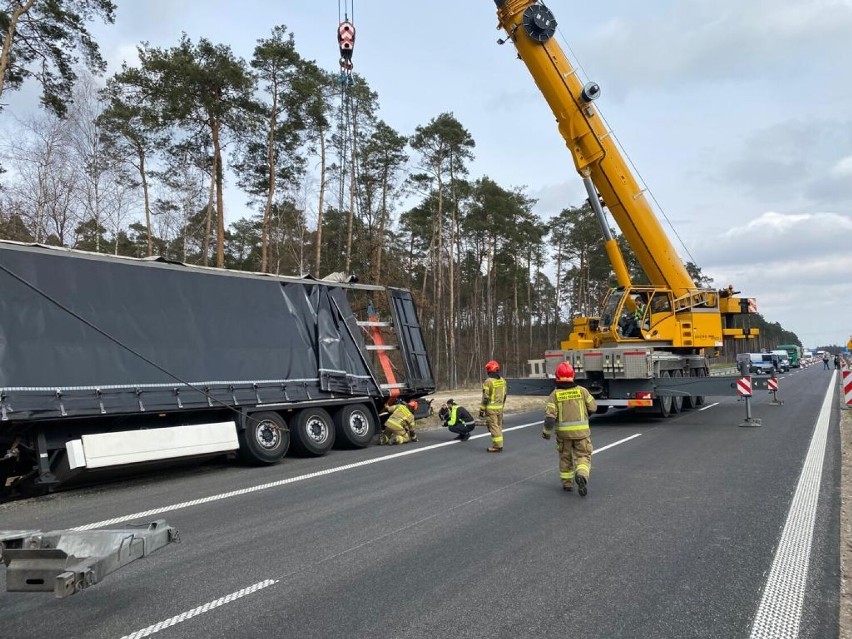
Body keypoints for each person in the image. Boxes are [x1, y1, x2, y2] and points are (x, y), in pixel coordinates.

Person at [541, 362, 597, 496]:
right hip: (582, 434)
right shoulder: (582, 391)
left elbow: (550, 417)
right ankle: (582, 474)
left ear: (557, 377)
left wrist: (546, 433)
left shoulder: (554, 395)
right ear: (573, 376)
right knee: (583, 456)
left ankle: (567, 484)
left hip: (563, 435)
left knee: (565, 458)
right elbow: (593, 407)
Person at [479, 360, 507, 452]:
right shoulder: (502, 380)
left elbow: (485, 398)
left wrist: (482, 410)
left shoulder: (488, 381)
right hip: (500, 408)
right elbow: (505, 395)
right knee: (498, 426)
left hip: (491, 409)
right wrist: (502, 406)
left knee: (493, 427)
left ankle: (497, 446)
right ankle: (499, 444)